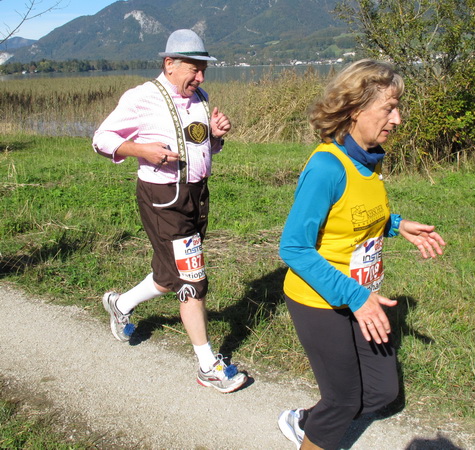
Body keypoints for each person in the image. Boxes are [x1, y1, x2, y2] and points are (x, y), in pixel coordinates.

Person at [277, 59, 446, 449]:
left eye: (398, 108)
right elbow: (293, 247)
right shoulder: (326, 167)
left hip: (359, 296)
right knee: (344, 400)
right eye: (389, 108)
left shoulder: (370, 159)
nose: (398, 119)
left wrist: (396, 225)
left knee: (382, 392)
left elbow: (355, 216)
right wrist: (355, 296)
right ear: (355, 109)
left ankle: (307, 422)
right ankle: (320, 428)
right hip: (318, 299)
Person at [92, 29, 247, 394]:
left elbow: (202, 146)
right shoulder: (142, 97)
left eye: (204, 70)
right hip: (162, 197)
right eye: (195, 69)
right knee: (193, 279)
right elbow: (101, 138)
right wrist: (141, 150)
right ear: (170, 64)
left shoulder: (200, 98)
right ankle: (208, 366)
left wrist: (216, 135)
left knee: (168, 274)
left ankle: (120, 304)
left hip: (197, 195)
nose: (201, 77)